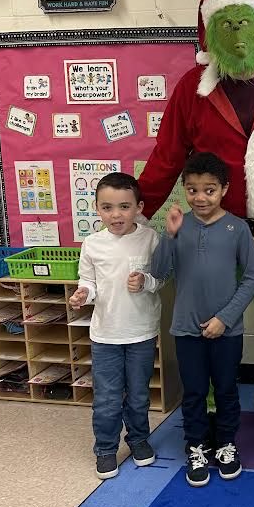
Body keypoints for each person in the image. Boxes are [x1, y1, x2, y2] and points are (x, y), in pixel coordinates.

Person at [137, 0, 254, 457]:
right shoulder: (192, 90)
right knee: (212, 325)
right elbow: (166, 156)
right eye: (227, 25)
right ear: (209, 35)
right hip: (214, 239)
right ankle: (217, 409)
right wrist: (133, 215)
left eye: (245, 23)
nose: (238, 35)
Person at [150, 152, 254, 487]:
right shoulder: (178, 225)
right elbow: (158, 273)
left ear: (224, 189)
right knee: (194, 391)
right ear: (184, 189)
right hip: (186, 329)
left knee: (226, 389)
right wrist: (168, 237)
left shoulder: (236, 228)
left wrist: (224, 319)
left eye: (209, 190)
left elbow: (252, 278)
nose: (200, 198)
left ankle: (226, 443)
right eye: (193, 190)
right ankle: (196, 445)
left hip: (226, 332)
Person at [69, 172, 162, 480]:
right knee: (107, 397)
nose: (116, 214)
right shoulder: (92, 244)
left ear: (139, 207)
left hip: (142, 332)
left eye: (124, 206)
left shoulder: (150, 238)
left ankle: (137, 439)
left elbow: (162, 277)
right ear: (97, 209)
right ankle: (106, 449)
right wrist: (84, 293)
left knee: (138, 394)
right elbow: (89, 282)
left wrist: (146, 281)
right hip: (105, 333)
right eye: (107, 207)